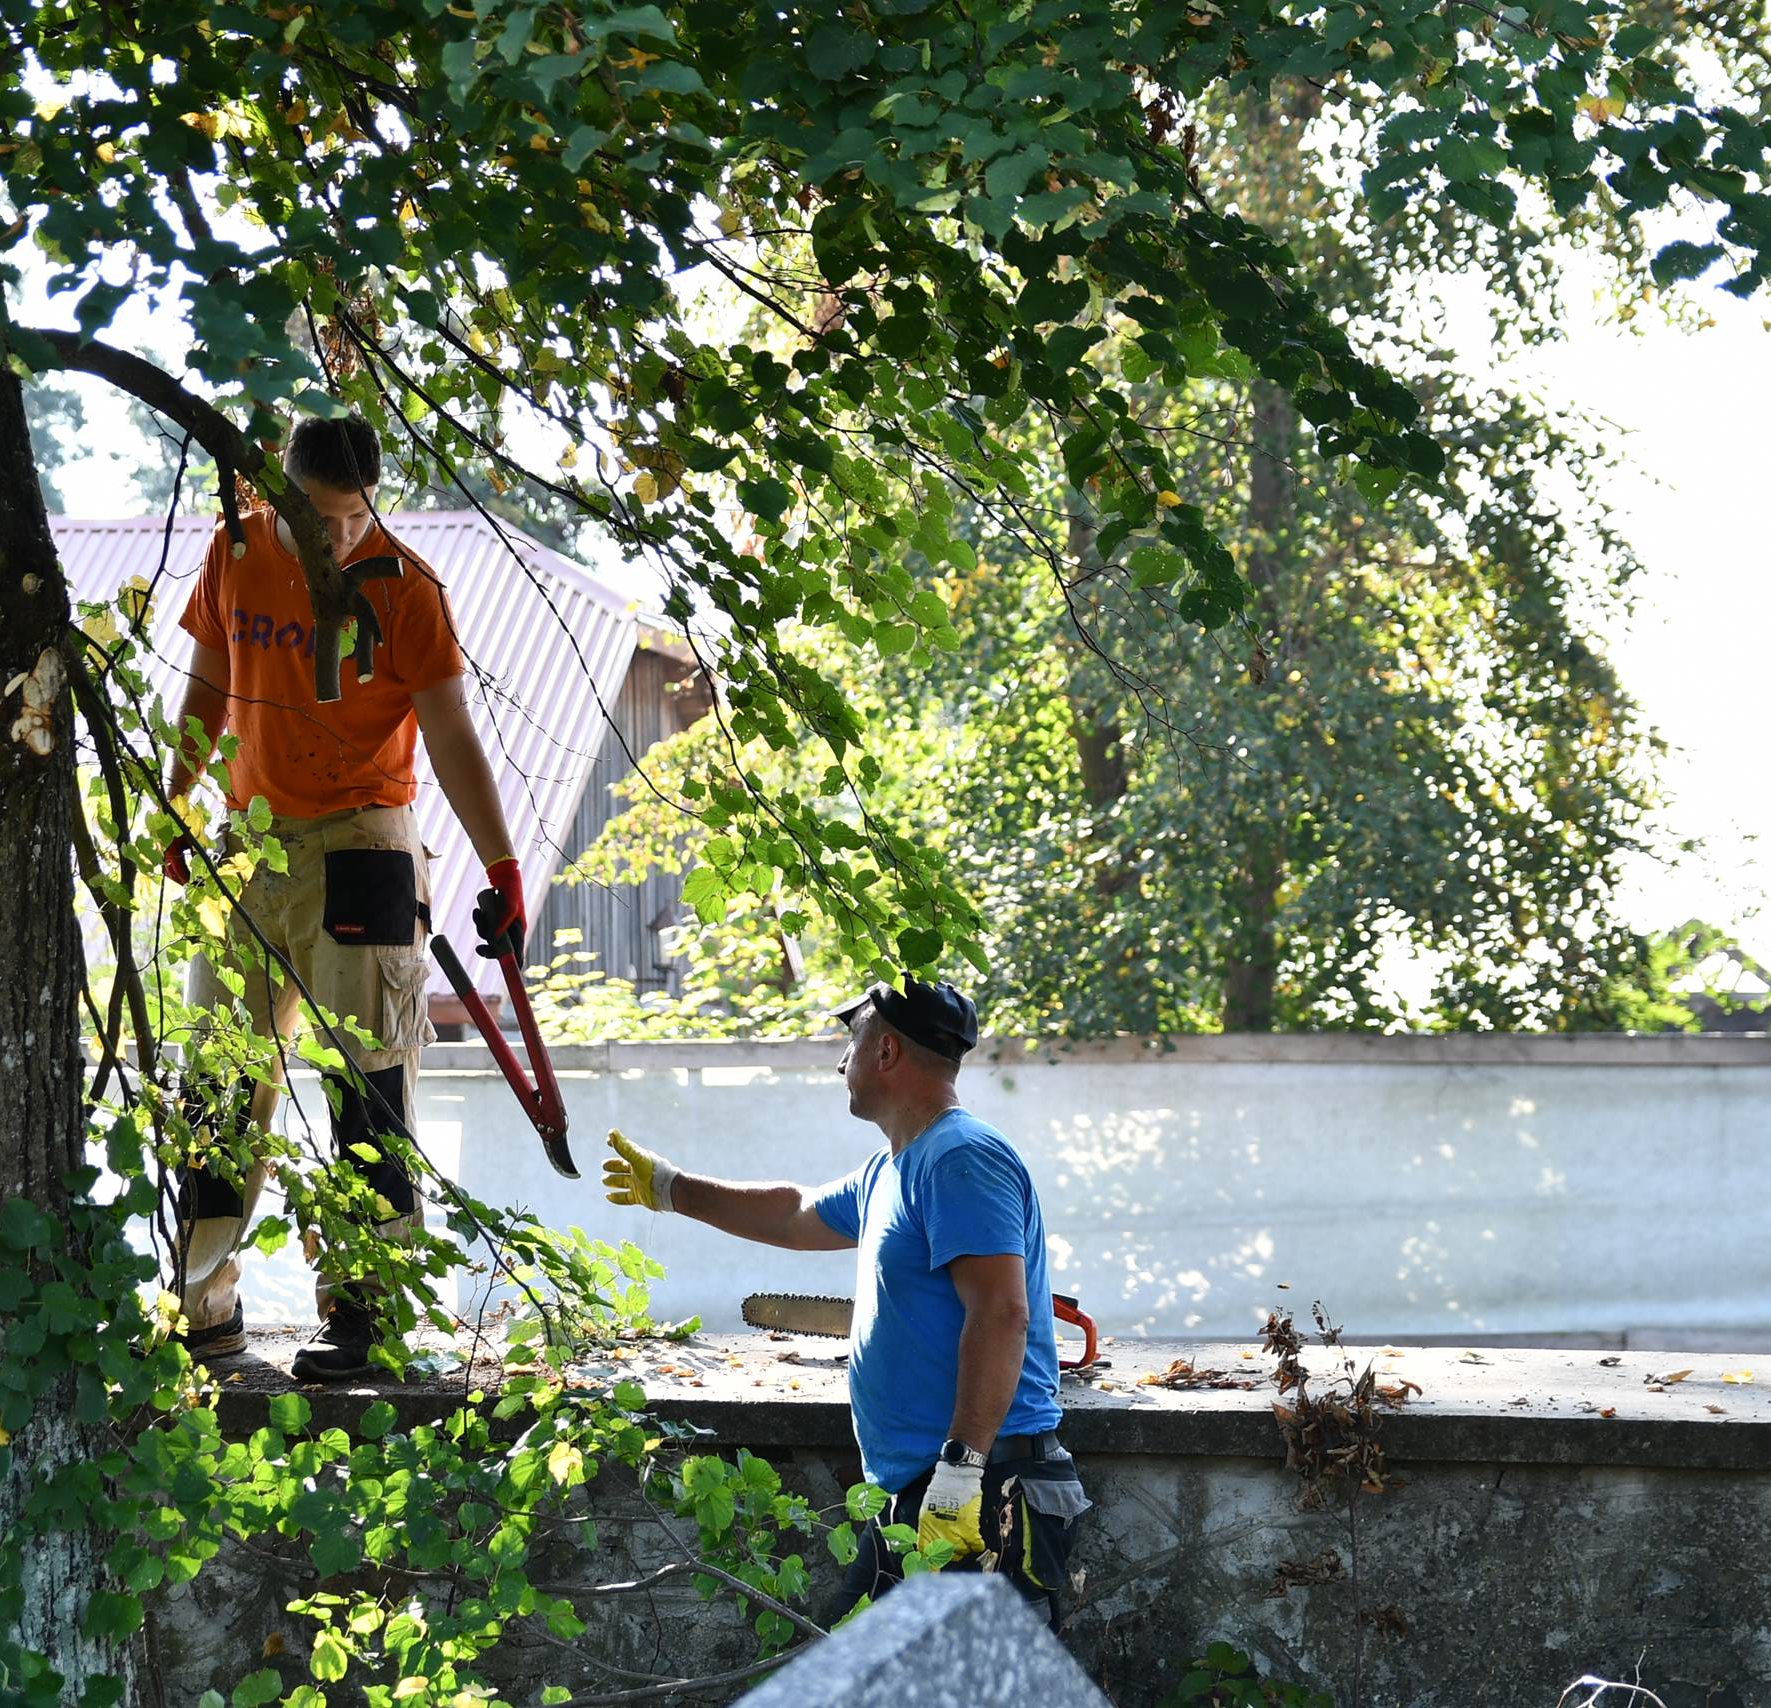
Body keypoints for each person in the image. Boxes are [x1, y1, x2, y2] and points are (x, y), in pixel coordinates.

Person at [159, 415, 526, 1383]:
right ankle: (205, 1307)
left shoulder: (406, 588)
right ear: (278, 494)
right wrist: (174, 800)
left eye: (356, 516)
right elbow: (206, 682)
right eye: (320, 519)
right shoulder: (234, 550)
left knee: (366, 1082)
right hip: (249, 839)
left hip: (363, 836)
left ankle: (370, 1313)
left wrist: (502, 863)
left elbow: (450, 732)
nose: (340, 539)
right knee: (217, 1083)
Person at [600, 978, 1088, 1619]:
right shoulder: (891, 1167)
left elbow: (1001, 1313)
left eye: (851, 1041)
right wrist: (673, 1188)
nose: (840, 1061)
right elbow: (796, 1213)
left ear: (886, 1052)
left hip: (979, 1488)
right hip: (924, 1490)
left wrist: (962, 1470)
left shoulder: (960, 1158)